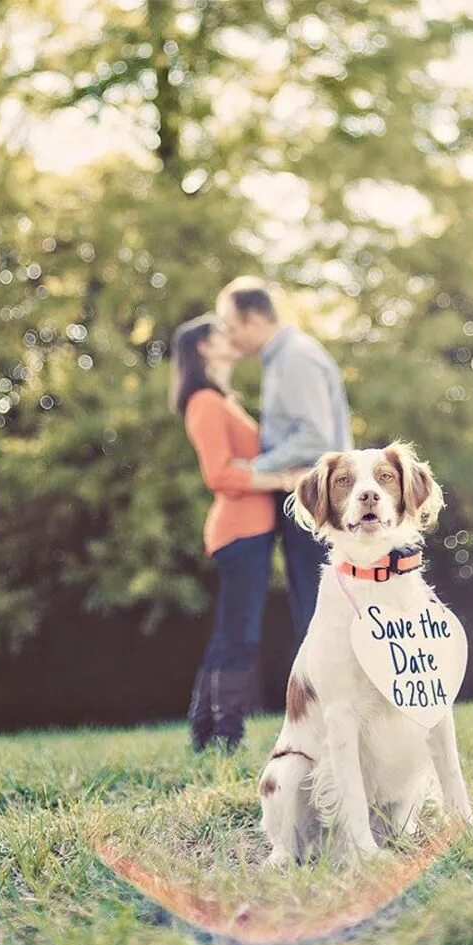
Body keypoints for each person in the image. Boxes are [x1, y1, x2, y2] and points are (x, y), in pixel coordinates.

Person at [171, 315, 297, 751]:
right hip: (238, 531)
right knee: (239, 634)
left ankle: (205, 732)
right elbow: (219, 474)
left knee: (233, 631)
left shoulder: (223, 399)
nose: (231, 337)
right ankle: (226, 736)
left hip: (252, 530)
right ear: (203, 348)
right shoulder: (204, 401)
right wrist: (284, 479)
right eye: (220, 333)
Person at [216, 277, 353, 645]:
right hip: (305, 492)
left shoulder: (295, 357)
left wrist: (256, 467)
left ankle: (328, 698)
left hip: (315, 495)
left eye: (231, 327)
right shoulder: (280, 359)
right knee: (311, 601)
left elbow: (315, 436)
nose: (229, 338)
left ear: (256, 318)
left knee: (319, 602)